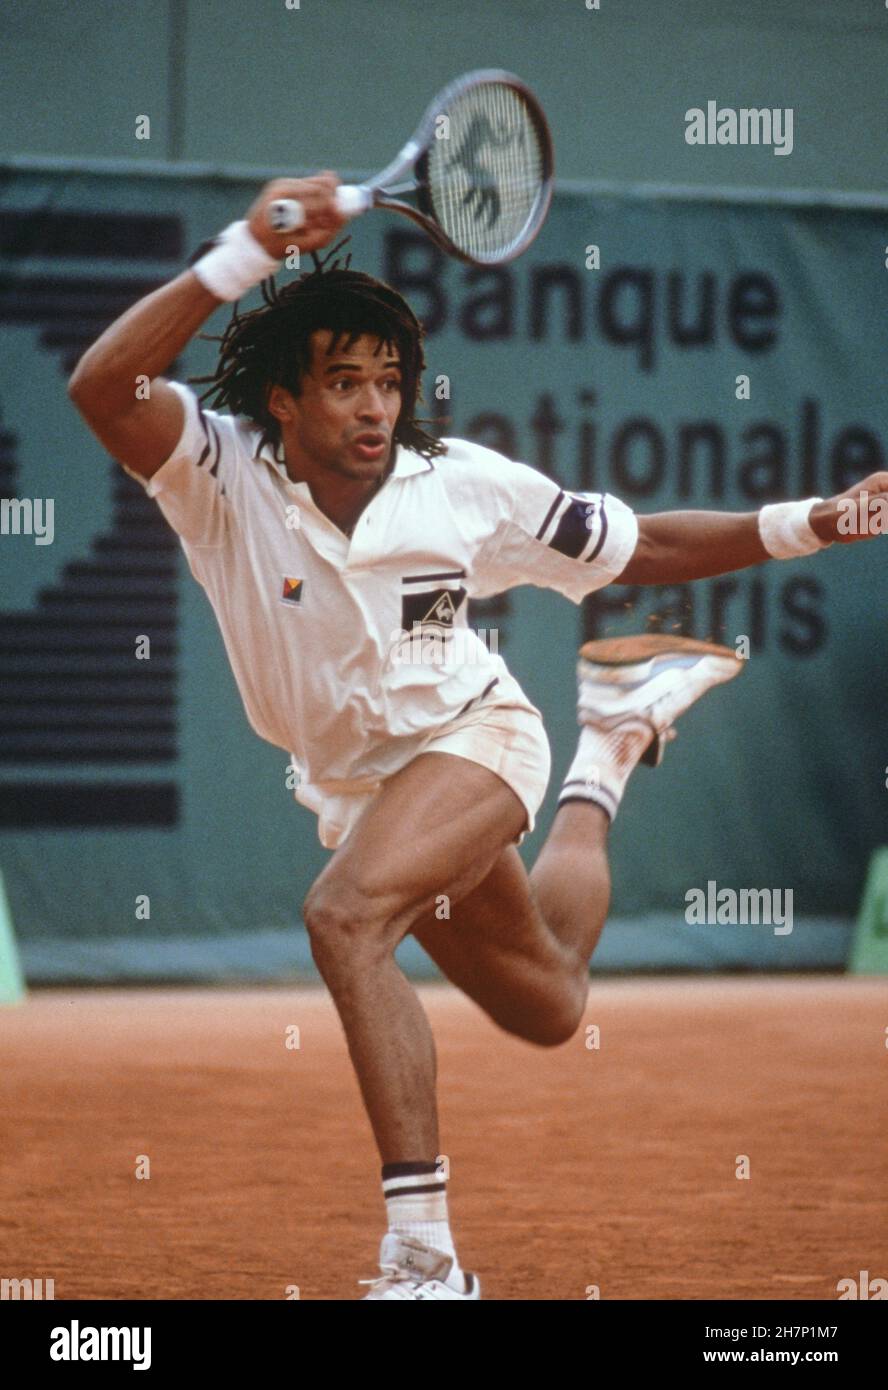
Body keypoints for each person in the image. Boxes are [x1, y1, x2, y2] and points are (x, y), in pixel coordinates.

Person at [68, 174, 888, 1300]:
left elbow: (640, 545)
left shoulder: (463, 488)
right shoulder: (217, 473)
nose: (373, 404)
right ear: (285, 402)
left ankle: (425, 1255)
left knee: (344, 917)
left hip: (477, 739)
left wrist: (816, 521)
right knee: (550, 1002)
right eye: (343, 381)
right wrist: (246, 251)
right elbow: (103, 383)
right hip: (359, 790)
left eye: (388, 381)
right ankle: (612, 743)